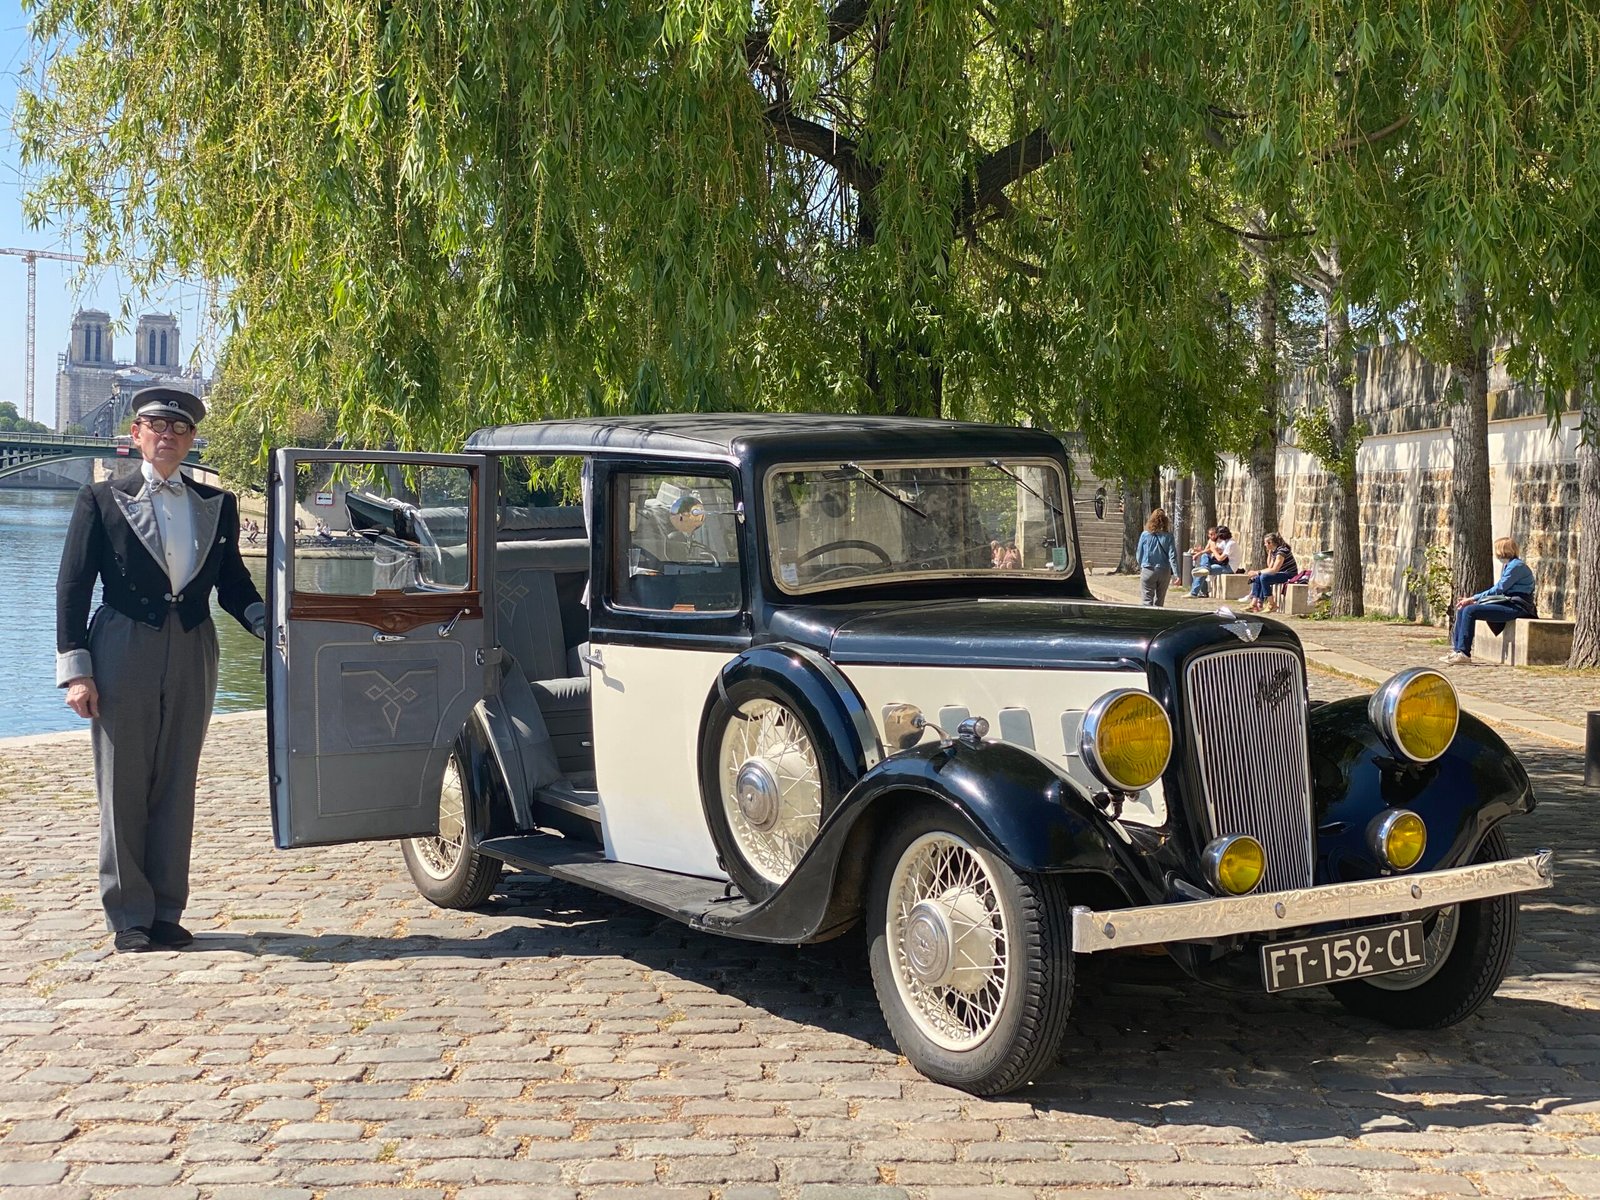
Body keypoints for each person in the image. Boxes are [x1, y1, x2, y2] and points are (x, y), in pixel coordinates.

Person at [56, 387, 266, 954]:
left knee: (178, 779)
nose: (168, 435)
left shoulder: (215, 505)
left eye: (180, 428)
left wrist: (271, 627)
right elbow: (73, 586)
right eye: (157, 425)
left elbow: (235, 586)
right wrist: (77, 670)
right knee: (123, 781)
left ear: (192, 439)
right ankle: (128, 913)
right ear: (137, 435)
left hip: (194, 643)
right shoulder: (99, 498)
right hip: (122, 644)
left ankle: (167, 909)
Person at [1442, 537, 1537, 665]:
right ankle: (1458, 650)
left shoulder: (1516, 566)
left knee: (1470, 610)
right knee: (1463, 609)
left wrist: (1473, 598)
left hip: (1518, 606)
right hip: (1508, 602)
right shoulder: (1510, 565)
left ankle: (1464, 653)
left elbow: (1499, 589)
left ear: (1503, 550)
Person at [1245, 532, 1298, 612]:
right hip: (1281, 574)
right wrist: (1269, 553)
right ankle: (1254, 604)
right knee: (1258, 577)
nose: (1264, 545)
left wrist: (1256, 572)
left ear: (1270, 543)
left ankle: (1271, 604)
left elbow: (1274, 570)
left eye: (1265, 543)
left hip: (1289, 575)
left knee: (1263, 577)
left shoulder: (1281, 551)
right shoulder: (1275, 551)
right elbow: (1270, 566)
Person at [1136, 508, 1179, 606]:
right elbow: (1172, 556)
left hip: (1148, 569)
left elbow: (1139, 554)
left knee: (1146, 600)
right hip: (1164, 570)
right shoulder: (1169, 536)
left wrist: (1142, 566)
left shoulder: (1145, 535)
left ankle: (1147, 619)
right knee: (1160, 601)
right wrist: (1176, 574)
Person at [1186, 526, 1221, 598]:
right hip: (1211, 560)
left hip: (1218, 561)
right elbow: (1206, 549)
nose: (1212, 536)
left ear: (1216, 534)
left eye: (1213, 534)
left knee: (1203, 568)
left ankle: (1198, 592)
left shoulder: (1219, 541)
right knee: (1199, 571)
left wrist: (1199, 553)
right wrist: (1198, 551)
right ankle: (1197, 591)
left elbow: (1211, 550)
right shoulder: (1210, 541)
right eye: (1210, 534)